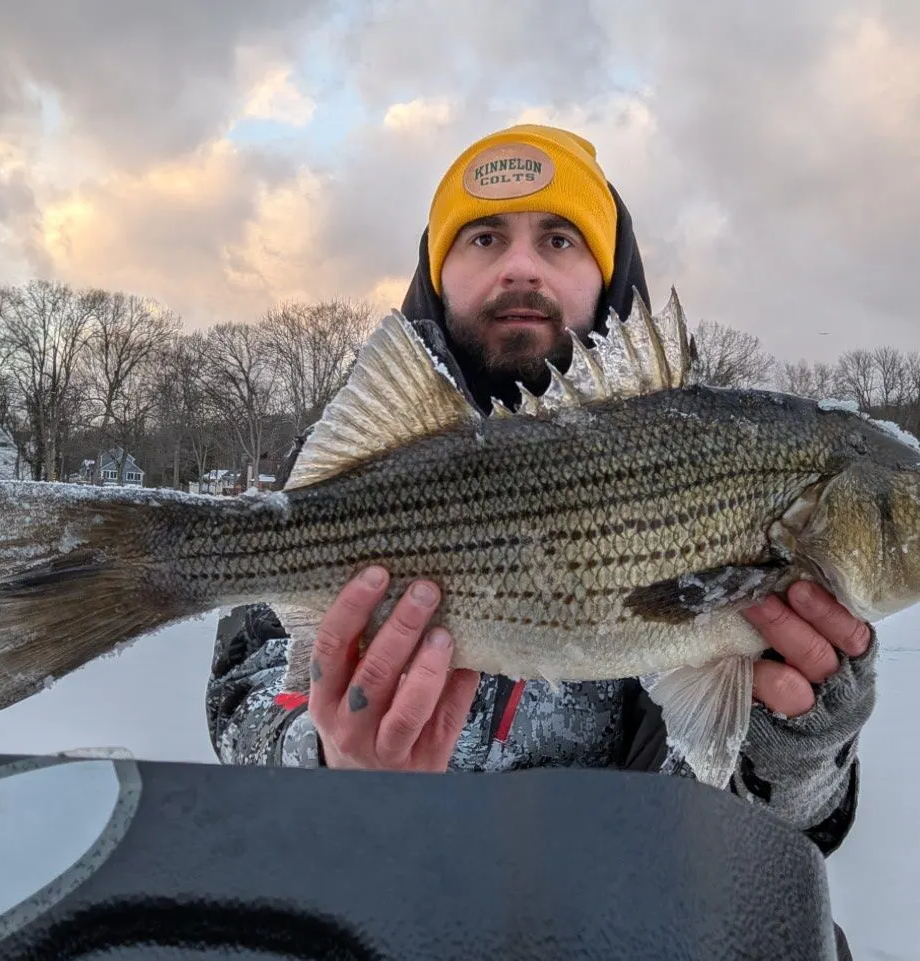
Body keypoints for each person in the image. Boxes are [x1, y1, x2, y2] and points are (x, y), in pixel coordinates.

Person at [206, 124, 874, 958]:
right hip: (378, 911)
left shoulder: (714, 458)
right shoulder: (347, 475)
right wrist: (331, 765)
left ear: (606, 278)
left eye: (558, 238)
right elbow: (248, 698)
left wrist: (797, 745)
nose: (520, 265)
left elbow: (751, 843)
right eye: (483, 237)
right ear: (436, 273)